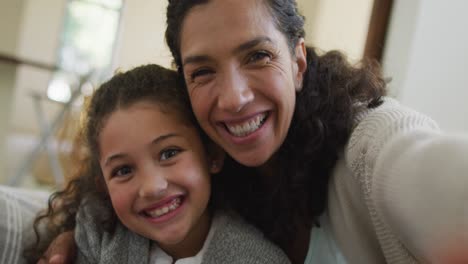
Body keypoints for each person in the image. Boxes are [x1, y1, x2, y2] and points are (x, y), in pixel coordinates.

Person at [39, 0, 468, 263]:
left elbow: (419, 167)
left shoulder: (368, 141)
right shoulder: (208, 178)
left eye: (258, 55)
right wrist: (78, 238)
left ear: (298, 61)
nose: (233, 98)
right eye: (203, 71)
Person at [25, 64, 291, 264]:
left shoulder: (261, 259)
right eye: (123, 170)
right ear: (104, 186)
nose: (152, 187)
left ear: (212, 155)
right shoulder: (97, 233)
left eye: (169, 153)